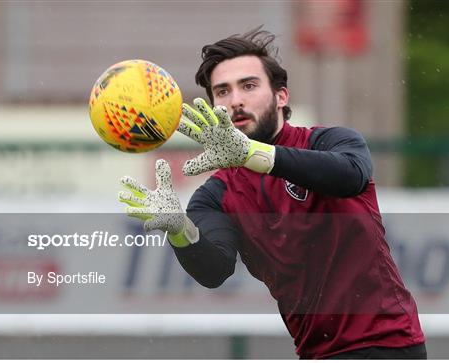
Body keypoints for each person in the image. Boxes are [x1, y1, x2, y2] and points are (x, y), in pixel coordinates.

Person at [118, 27, 426, 359]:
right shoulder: (215, 195)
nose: (235, 100)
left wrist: (251, 154)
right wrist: (179, 231)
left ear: (281, 96)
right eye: (222, 91)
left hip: (388, 344)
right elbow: (214, 270)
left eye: (248, 86)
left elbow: (349, 176)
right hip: (316, 353)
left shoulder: (329, 143)